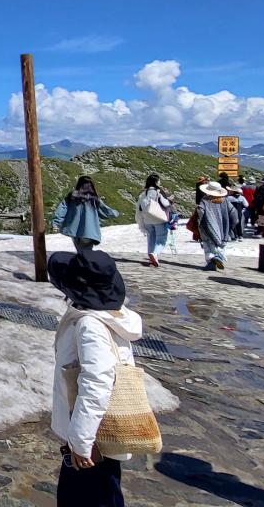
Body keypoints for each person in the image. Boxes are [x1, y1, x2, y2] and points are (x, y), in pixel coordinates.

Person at [49, 249, 143, 507]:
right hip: (95, 430)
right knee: (101, 492)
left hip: (94, 436)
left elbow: (97, 383)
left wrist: (81, 441)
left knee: (89, 497)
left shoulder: (90, 325)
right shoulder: (110, 315)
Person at [51, 176, 120, 253]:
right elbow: (105, 211)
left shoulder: (72, 196)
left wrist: (56, 223)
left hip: (74, 231)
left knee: (80, 252)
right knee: (87, 253)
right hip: (89, 231)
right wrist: (116, 213)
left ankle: (79, 263)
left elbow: (62, 209)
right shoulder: (94, 199)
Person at [135, 174, 171, 267]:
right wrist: (170, 200)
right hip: (158, 219)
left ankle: (151, 258)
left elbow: (139, 207)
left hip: (147, 220)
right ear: (156, 182)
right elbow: (165, 204)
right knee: (161, 239)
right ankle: (155, 254)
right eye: (159, 180)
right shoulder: (158, 192)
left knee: (151, 239)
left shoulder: (143, 193)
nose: (160, 182)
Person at [196, 181, 232, 271]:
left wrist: (198, 222)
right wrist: (231, 226)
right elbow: (234, 214)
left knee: (208, 244)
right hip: (223, 228)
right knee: (220, 244)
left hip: (207, 226)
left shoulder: (205, 200)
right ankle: (218, 257)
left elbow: (200, 212)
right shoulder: (226, 201)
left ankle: (211, 261)